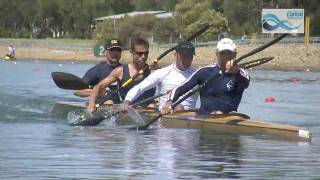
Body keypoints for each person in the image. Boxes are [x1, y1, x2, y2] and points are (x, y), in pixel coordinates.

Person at [162, 38, 250, 115]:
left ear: (235, 55)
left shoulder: (241, 73)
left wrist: (236, 72)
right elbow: (179, 89)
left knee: (219, 114)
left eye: (229, 53)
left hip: (230, 117)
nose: (226, 56)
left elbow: (246, 82)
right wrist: (169, 103)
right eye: (222, 53)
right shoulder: (205, 72)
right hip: (205, 116)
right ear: (216, 54)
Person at [123, 41, 198, 112]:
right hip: (165, 117)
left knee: (180, 108)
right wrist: (127, 101)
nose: (186, 60)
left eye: (189, 56)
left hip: (189, 118)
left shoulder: (198, 75)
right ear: (175, 55)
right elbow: (139, 88)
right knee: (178, 107)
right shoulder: (163, 73)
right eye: (183, 56)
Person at [87, 38, 155, 112]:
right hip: (126, 110)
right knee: (109, 103)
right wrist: (91, 103)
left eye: (146, 53)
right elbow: (98, 87)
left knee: (152, 105)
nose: (143, 56)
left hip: (148, 110)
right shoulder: (120, 71)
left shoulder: (154, 71)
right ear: (132, 52)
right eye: (139, 53)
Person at [74, 38, 123, 103]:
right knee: (109, 102)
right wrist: (97, 91)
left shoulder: (125, 69)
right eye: (112, 50)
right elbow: (77, 91)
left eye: (118, 50)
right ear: (106, 52)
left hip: (122, 107)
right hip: (102, 106)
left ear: (121, 52)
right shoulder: (96, 70)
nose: (115, 53)